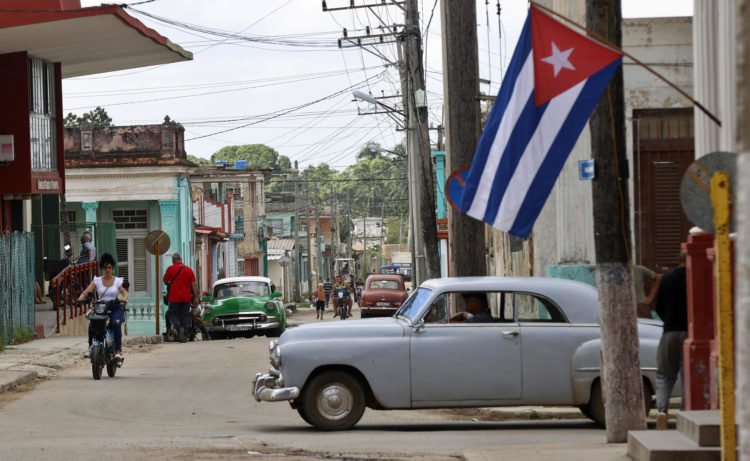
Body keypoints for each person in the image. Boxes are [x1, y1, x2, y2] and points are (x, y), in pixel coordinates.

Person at [654, 252, 687, 430]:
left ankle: (662, 411)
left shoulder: (667, 279)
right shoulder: (696, 278)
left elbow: (658, 306)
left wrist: (668, 320)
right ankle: (684, 413)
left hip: (669, 332)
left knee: (665, 375)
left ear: (678, 260)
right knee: (687, 377)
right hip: (691, 334)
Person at [77, 253, 128, 360]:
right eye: (105, 267)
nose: (107, 270)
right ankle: (91, 348)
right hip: (101, 308)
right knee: (92, 324)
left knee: (116, 324)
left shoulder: (118, 281)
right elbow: (86, 291)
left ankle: (118, 351)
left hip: (115, 307)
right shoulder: (97, 280)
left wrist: (124, 298)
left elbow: (124, 292)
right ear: (102, 269)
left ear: (112, 267)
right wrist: (81, 297)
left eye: (109, 267)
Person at [163, 253, 198, 343]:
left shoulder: (170, 269)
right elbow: (194, 285)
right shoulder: (189, 270)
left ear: (173, 260)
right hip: (186, 297)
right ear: (181, 260)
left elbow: (165, 280)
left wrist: (168, 283)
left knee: (171, 313)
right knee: (185, 315)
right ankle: (183, 332)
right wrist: (196, 297)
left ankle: (178, 327)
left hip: (174, 297)